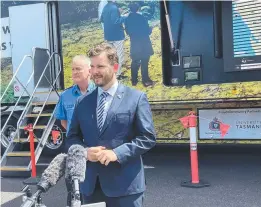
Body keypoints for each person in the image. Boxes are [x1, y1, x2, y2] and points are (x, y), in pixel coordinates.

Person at [65, 42, 156, 207]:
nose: (94, 71)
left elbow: (147, 137)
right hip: (91, 187)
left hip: (126, 187)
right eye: (92, 66)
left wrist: (117, 153)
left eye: (100, 66)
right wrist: (84, 152)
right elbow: (72, 137)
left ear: (115, 67)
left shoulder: (135, 98)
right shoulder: (82, 102)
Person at [54, 55, 96, 206]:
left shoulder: (99, 91)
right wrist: (76, 137)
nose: (74, 72)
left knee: (94, 187)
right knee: (73, 187)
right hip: (74, 146)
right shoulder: (66, 96)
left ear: (89, 71)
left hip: (95, 145)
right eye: (72, 69)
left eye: (78, 69)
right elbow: (63, 120)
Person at [125, 2, 154, 87]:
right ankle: (145, 80)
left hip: (134, 43)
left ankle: (134, 80)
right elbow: (147, 31)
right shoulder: (142, 17)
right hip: (144, 42)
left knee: (135, 61)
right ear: (138, 9)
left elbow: (127, 31)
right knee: (145, 61)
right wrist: (151, 29)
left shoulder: (127, 19)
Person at [100, 0, 127, 79]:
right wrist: (124, 16)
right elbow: (116, 21)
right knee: (119, 56)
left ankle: (111, 73)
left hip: (108, 35)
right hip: (117, 36)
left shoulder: (105, 7)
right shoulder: (114, 8)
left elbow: (101, 19)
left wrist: (118, 14)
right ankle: (117, 74)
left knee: (110, 56)